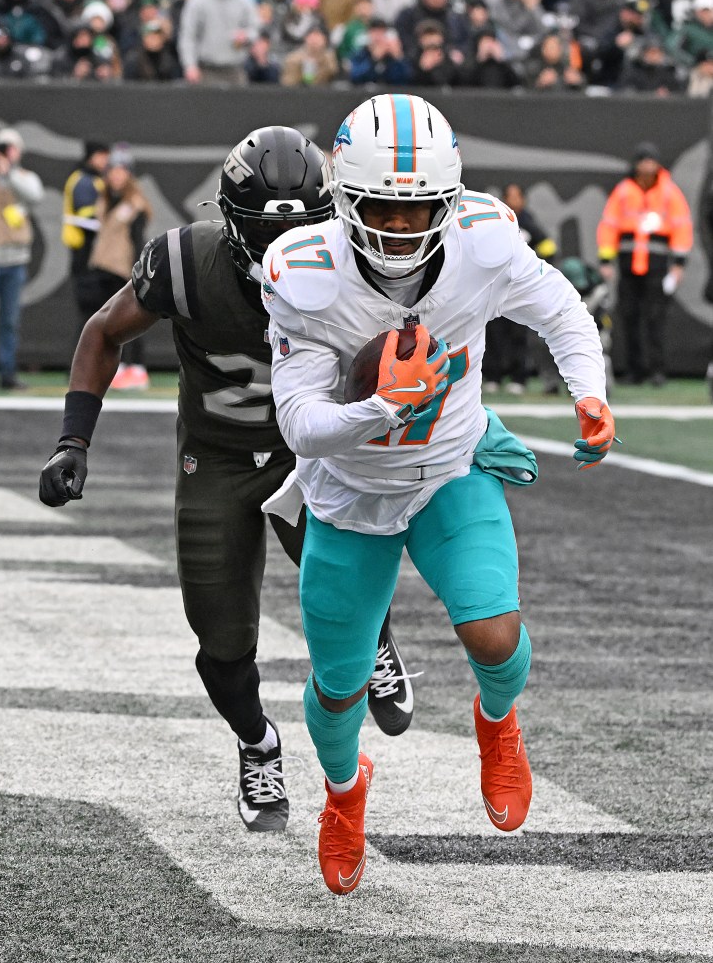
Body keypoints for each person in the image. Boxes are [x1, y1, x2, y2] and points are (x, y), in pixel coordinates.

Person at [261, 93, 618, 896]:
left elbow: (561, 309)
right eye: (381, 210)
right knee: (338, 685)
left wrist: (587, 393)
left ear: (447, 200)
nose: (397, 229)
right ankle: (345, 794)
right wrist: (380, 404)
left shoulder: (482, 245)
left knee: (493, 633)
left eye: (415, 208)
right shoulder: (305, 276)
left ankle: (497, 721)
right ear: (344, 199)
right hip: (350, 495)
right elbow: (299, 423)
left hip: (453, 468)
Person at [38, 126, 418, 835]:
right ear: (228, 220)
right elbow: (102, 331)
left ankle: (375, 643)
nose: (283, 250)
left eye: (303, 229)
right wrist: (73, 438)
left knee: (346, 579)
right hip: (214, 457)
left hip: (307, 454)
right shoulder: (185, 260)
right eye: (263, 231)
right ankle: (257, 742)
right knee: (219, 639)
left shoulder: (352, 265)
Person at [597, 141, 693, 386]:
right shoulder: (624, 190)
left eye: (651, 161)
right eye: (643, 161)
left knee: (655, 318)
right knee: (629, 317)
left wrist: (679, 264)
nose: (647, 166)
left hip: (657, 266)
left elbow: (682, 227)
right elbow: (609, 225)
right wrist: (606, 259)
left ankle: (657, 370)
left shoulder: (669, 192)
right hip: (629, 265)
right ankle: (634, 370)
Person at [87, 143, 152, 390]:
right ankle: (119, 366)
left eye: (121, 170)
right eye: (112, 170)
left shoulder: (135, 204)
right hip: (104, 268)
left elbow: (138, 241)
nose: (116, 175)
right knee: (108, 322)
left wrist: (138, 272)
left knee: (131, 320)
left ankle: (137, 368)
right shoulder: (104, 200)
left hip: (124, 271)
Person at [483, 182, 557, 394]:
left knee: (519, 334)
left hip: (520, 288)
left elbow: (549, 247)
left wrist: (538, 271)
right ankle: (493, 375)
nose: (513, 200)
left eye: (517, 196)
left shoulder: (529, 223)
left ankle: (519, 377)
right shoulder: (496, 222)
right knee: (493, 332)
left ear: (523, 200)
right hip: (497, 287)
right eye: (509, 196)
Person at [0, 126, 44, 390]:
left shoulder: (24, 177)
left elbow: (35, 196)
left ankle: (7, 373)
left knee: (10, 322)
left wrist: (8, 173)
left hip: (15, 261)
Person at [61, 138, 111, 348]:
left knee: (95, 314)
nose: (106, 161)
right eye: (103, 155)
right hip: (85, 254)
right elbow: (88, 219)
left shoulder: (95, 179)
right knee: (90, 313)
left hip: (90, 255)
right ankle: (80, 365)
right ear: (93, 156)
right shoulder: (84, 181)